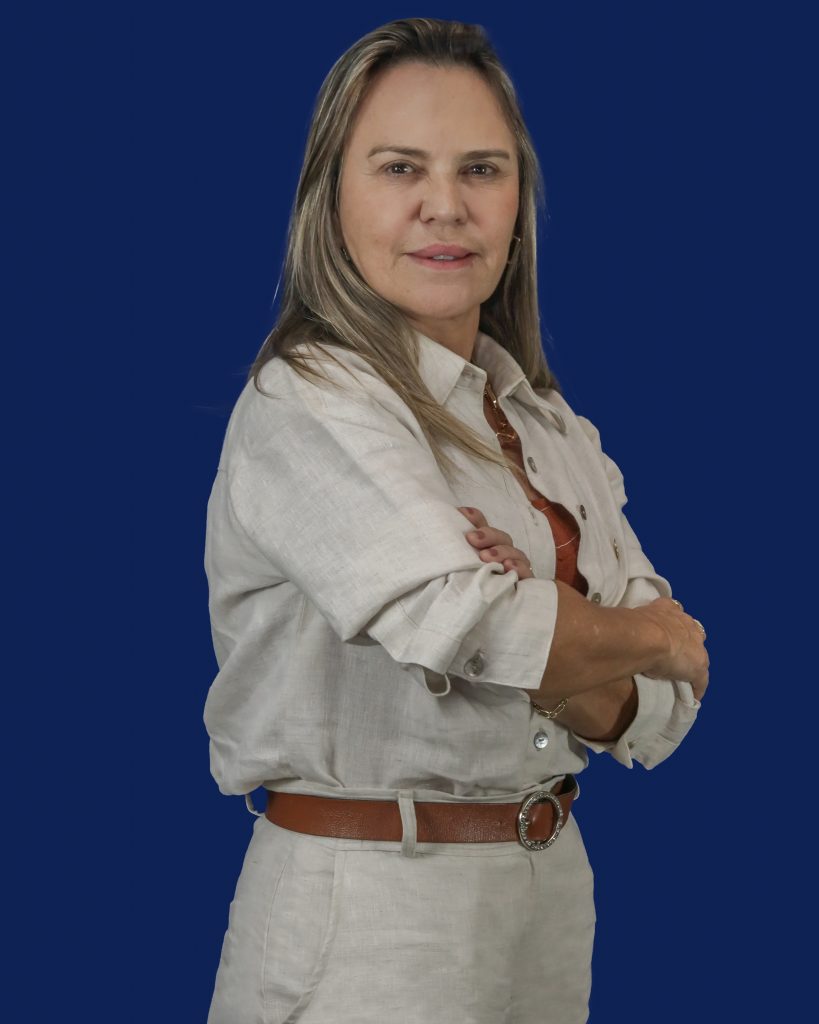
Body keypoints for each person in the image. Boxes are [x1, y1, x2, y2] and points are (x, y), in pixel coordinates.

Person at [202, 17, 709, 1024]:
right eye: (400, 167)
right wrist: (646, 631)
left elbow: (660, 710)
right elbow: (478, 622)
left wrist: (544, 629)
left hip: (547, 891)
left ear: (518, 203)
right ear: (330, 198)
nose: (447, 205)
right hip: (370, 904)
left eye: (482, 169)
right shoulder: (309, 401)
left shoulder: (548, 424)